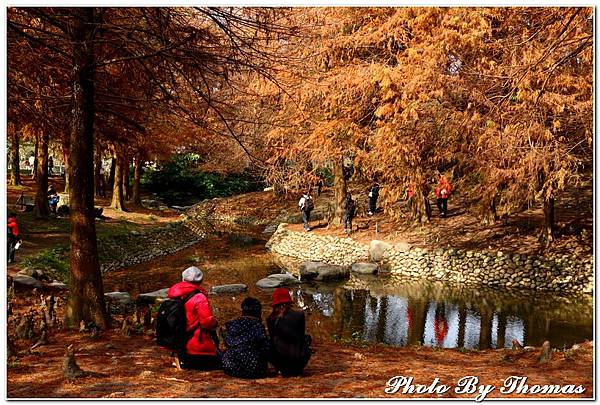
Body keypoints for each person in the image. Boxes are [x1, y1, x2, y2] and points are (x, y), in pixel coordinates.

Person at [167, 266, 221, 370]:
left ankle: (182, 362)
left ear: (183, 279)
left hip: (181, 346)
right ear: (200, 281)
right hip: (198, 348)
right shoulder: (199, 297)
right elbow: (207, 322)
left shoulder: (175, 295)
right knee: (224, 360)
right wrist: (215, 323)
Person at [267, 288, 312, 377]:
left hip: (281, 363)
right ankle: (297, 369)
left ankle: (280, 369)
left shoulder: (270, 319)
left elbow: (272, 340)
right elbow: (301, 336)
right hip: (298, 362)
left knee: (269, 343)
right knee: (307, 338)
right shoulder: (300, 315)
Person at [222, 297, 270, 379]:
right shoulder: (257, 325)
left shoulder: (232, 324)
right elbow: (265, 347)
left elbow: (227, 342)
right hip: (253, 369)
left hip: (230, 367)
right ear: (258, 312)